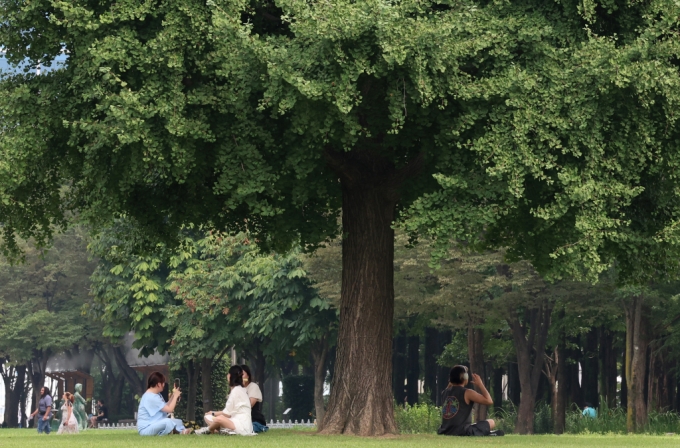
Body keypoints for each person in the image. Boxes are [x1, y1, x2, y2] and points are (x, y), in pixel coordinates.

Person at [437, 365, 504, 437]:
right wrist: (480, 384)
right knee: (491, 422)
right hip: (462, 431)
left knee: (474, 426)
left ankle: (487, 433)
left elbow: (450, 385)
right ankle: (487, 433)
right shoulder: (467, 392)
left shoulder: (444, 392)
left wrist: (453, 378)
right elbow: (489, 401)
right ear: (465, 377)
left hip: (445, 430)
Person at [199, 365, 253, 435]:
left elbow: (226, 414)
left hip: (241, 425)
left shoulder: (236, 390)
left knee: (219, 418)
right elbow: (229, 413)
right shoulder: (239, 389)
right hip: (235, 421)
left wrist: (213, 413)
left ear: (230, 376)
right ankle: (224, 431)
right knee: (208, 417)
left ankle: (207, 430)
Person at [137, 371, 192, 435]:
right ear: (159, 384)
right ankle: (180, 432)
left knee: (178, 421)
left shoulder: (155, 395)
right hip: (146, 429)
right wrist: (175, 396)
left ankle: (175, 431)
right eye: (163, 383)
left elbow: (165, 406)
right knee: (167, 422)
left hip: (153, 424)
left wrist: (174, 396)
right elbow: (169, 410)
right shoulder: (151, 397)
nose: (164, 385)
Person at [241, 365, 268, 433]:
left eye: (242, 374)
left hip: (253, 419)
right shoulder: (236, 389)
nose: (240, 377)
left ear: (248, 375)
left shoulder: (253, 386)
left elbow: (249, 405)